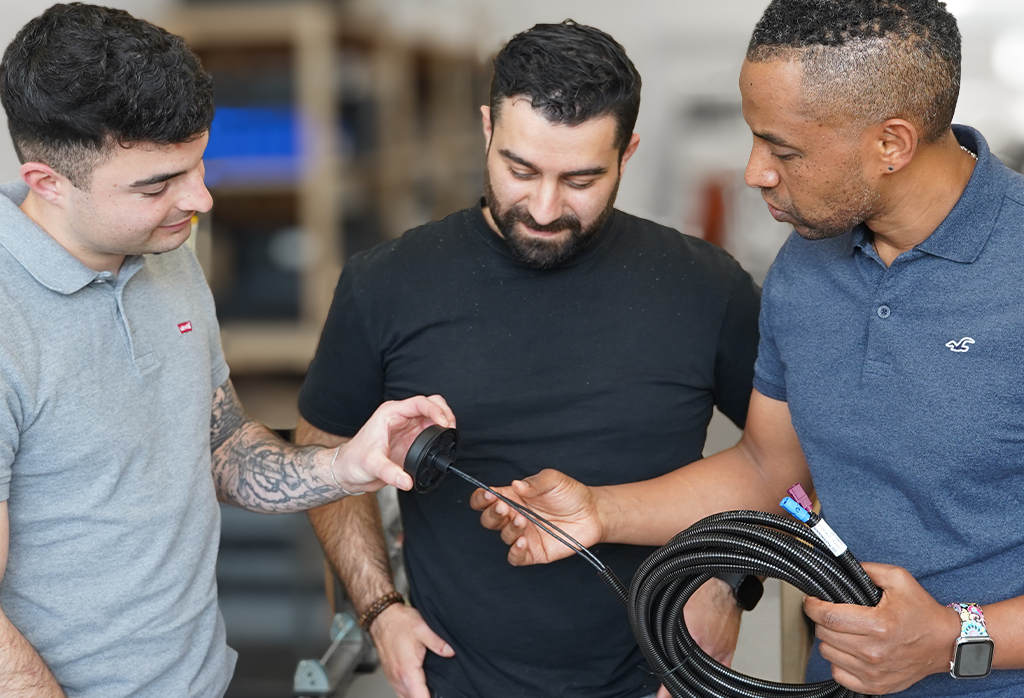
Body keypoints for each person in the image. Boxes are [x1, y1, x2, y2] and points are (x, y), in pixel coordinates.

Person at [473, 1, 1024, 696]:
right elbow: (770, 468)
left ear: (891, 143)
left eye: (784, 149)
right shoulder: (809, 263)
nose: (754, 171)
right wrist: (599, 512)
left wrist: (949, 637)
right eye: (754, 135)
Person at [0, 5, 453, 697]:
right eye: (156, 184)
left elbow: (220, 446)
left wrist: (346, 466)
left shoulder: (164, 254)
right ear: (47, 183)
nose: (201, 200)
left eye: (196, 165)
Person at [294, 20, 762, 698]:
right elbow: (324, 442)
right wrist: (379, 609)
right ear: (487, 128)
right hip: (453, 680)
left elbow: (791, 462)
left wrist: (729, 585)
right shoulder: (385, 284)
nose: (544, 207)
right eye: (521, 170)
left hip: (657, 680)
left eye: (581, 178)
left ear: (627, 152)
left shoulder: (707, 289)